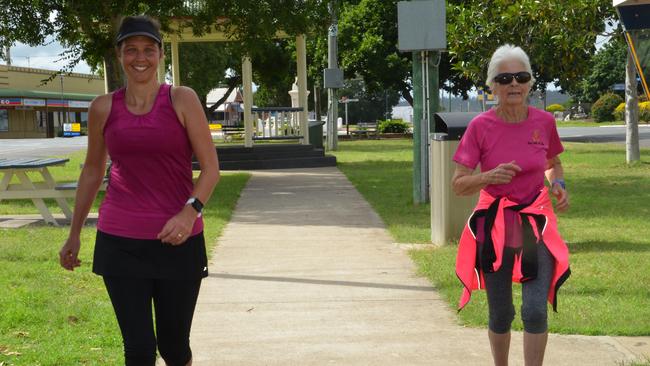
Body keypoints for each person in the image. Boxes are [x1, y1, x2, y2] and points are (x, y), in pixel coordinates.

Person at [59, 15, 220, 366]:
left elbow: (211, 169)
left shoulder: (182, 99)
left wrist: (189, 211)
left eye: (148, 49)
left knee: (175, 348)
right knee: (139, 349)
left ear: (161, 54)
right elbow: (91, 171)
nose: (140, 57)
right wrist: (74, 234)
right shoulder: (103, 107)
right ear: (119, 55)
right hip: (120, 240)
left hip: (178, 240)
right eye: (131, 49)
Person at [452, 44, 571, 366]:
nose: (514, 84)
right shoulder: (480, 127)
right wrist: (487, 176)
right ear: (493, 87)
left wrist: (558, 183)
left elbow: (552, 163)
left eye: (521, 76)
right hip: (496, 226)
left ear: (531, 82)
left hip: (535, 222)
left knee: (534, 309)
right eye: (505, 79)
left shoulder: (544, 122)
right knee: (501, 311)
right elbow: (458, 184)